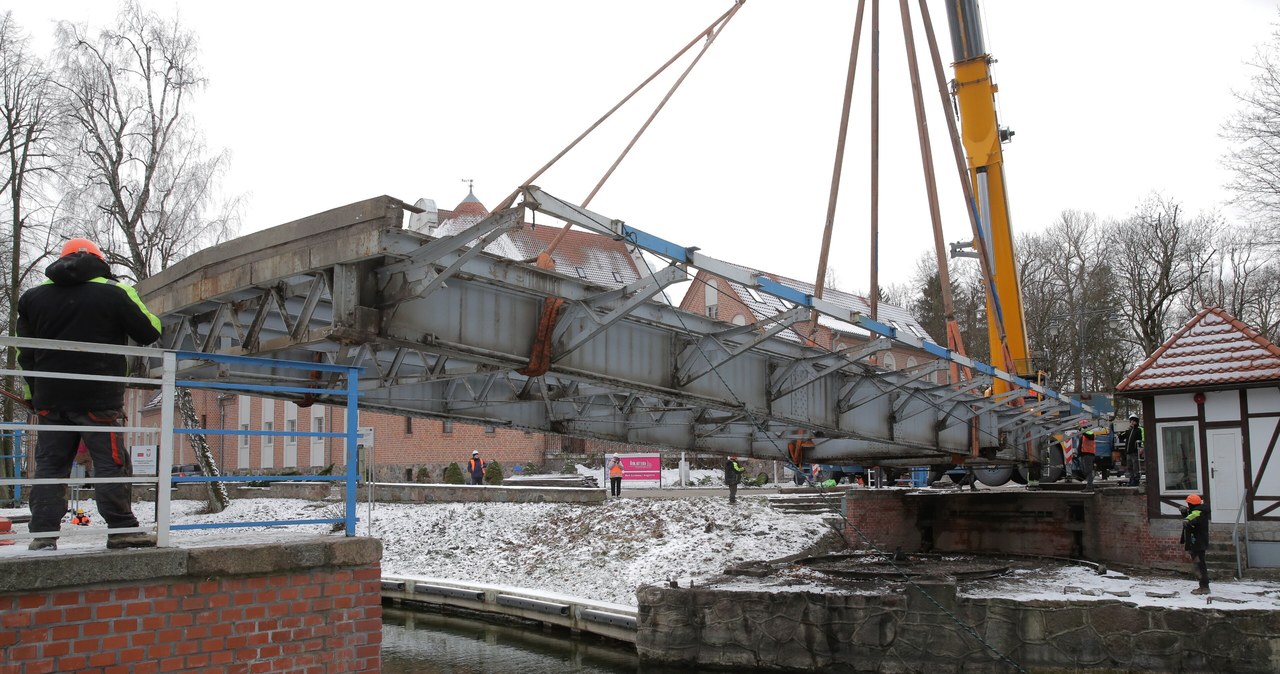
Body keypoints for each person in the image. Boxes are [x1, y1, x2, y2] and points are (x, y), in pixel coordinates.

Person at [17, 238, 162, 551]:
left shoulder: (32, 298)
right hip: (99, 398)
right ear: (99, 261)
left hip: (50, 399)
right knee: (110, 463)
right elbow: (150, 331)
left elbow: (25, 354)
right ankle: (122, 530)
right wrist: (130, 298)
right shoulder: (114, 292)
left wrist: (33, 393)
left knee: (50, 467)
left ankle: (41, 536)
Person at [1181, 493, 1211, 595]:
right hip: (1196, 543)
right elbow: (1192, 518)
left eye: (1188, 503)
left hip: (1197, 544)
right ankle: (1202, 585)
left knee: (1199, 565)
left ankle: (1204, 586)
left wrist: (1187, 519)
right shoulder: (1198, 511)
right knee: (1198, 564)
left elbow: (1193, 518)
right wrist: (1185, 514)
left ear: (1191, 504)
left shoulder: (1198, 512)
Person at [1124, 413, 1144, 487]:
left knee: (1135, 466)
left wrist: (1142, 448)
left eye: (1133, 421)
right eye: (1131, 421)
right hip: (1128, 451)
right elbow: (1123, 437)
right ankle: (1131, 479)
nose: (1132, 422)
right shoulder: (1129, 430)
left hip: (1135, 451)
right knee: (1129, 466)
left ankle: (1136, 479)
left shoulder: (1139, 429)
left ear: (1136, 422)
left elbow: (1143, 438)